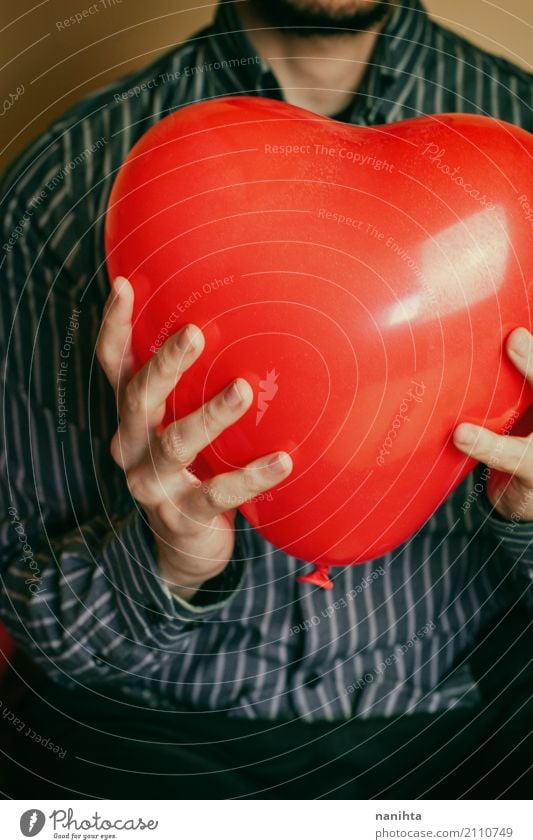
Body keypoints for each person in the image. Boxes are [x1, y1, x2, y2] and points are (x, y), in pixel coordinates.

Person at [0, 0, 532, 799]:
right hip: (150, 758)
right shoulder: (64, 184)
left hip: (466, 752)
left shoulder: (523, 159)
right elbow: (38, 623)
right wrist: (166, 567)